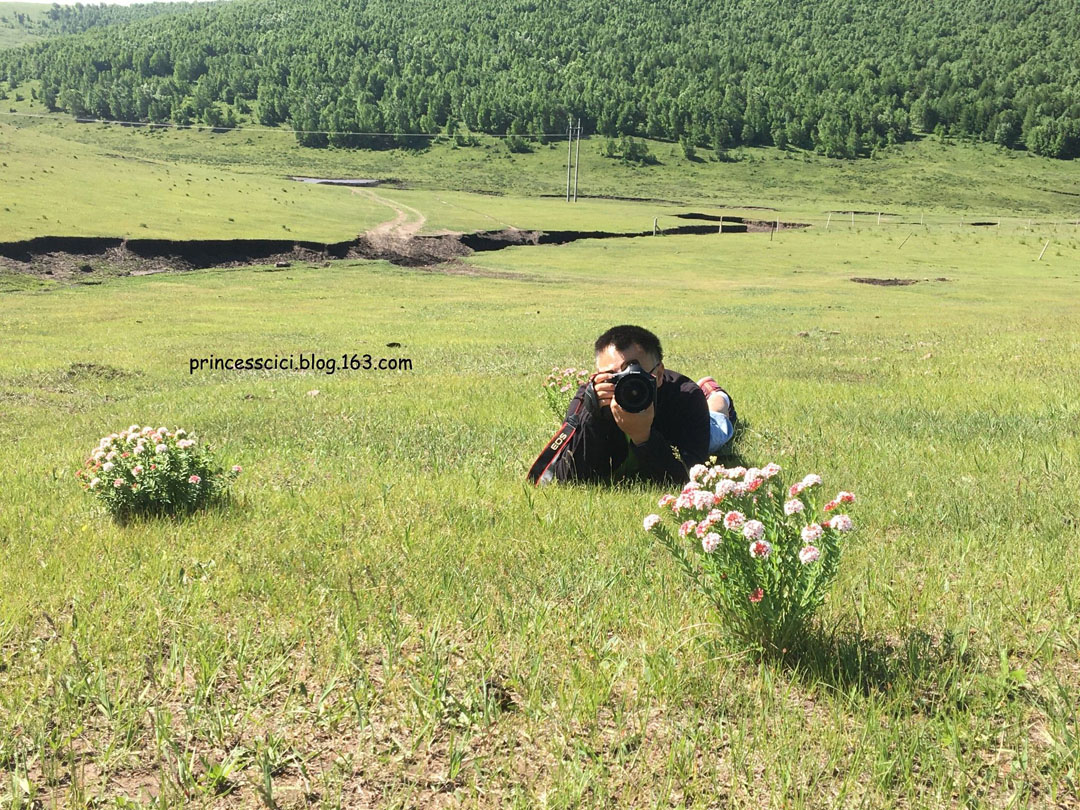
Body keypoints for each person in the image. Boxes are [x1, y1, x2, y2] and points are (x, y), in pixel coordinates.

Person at [547, 325, 737, 485]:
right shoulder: (593, 395)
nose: (626, 384)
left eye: (634, 373)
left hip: (691, 425)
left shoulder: (685, 396)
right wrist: (591, 414)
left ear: (659, 373)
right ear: (597, 376)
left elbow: (689, 477)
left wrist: (642, 436)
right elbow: (567, 476)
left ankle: (714, 394)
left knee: (718, 428)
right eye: (613, 376)